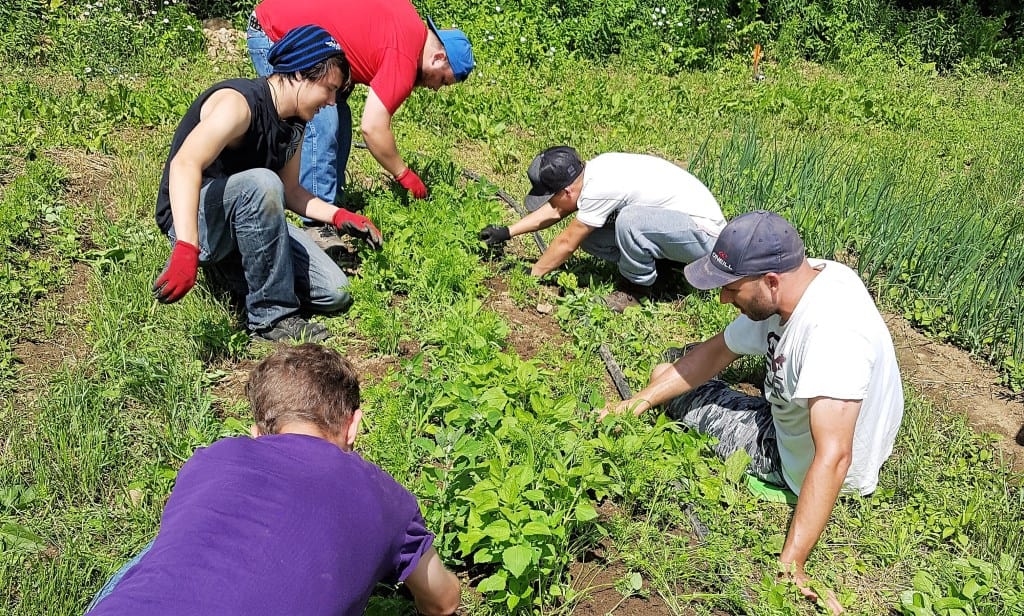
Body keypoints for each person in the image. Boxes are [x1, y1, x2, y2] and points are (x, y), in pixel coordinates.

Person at [601, 210, 904, 614]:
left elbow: (834, 457)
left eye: (730, 288)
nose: (724, 298)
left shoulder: (834, 337)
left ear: (771, 282)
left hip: (804, 459)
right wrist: (633, 404)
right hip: (809, 424)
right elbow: (715, 352)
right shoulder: (810, 281)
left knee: (664, 376)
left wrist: (791, 564)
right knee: (668, 374)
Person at [85, 343, 461, 616]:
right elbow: (443, 601)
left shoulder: (211, 457)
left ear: (256, 432)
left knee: (163, 552)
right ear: (353, 427)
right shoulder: (384, 495)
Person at [152, 25, 383, 343]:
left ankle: (236, 275)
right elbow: (185, 164)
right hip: (196, 218)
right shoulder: (239, 104)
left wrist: (339, 216)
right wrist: (186, 248)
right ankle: (271, 319)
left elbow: (290, 191)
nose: (331, 102)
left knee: (336, 292)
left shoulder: (296, 123)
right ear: (301, 73)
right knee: (262, 182)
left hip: (252, 213)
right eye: (329, 89)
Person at [248, 0, 475, 249]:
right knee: (321, 124)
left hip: (299, 36)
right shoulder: (405, 55)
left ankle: (331, 206)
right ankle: (315, 227)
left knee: (339, 121)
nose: (434, 88)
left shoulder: (409, 28)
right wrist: (404, 174)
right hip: (276, 33)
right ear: (439, 57)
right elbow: (373, 128)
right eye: (442, 81)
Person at [478, 147, 726, 309]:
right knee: (593, 237)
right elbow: (557, 210)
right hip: (677, 230)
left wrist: (531, 276)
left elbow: (566, 242)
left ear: (566, 191)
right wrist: (507, 231)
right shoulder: (592, 173)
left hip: (705, 238)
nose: (551, 203)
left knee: (630, 222)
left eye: (551, 196)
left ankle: (636, 290)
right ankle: (663, 271)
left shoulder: (600, 188)